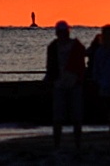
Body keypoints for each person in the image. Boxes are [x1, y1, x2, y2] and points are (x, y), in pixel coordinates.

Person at [43, 20, 86, 150]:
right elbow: (50, 66)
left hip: (74, 84)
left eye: (63, 31)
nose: (62, 34)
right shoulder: (52, 47)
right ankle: (57, 144)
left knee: (76, 117)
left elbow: (81, 65)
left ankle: (77, 144)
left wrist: (79, 78)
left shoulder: (76, 46)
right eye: (60, 32)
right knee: (58, 118)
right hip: (59, 84)